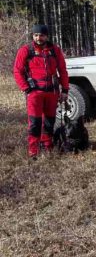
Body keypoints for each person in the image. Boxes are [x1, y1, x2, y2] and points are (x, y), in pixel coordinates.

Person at [13, 24, 69, 158]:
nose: (39, 38)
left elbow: (62, 71)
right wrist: (26, 88)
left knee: (49, 121)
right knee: (35, 123)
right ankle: (33, 152)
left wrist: (65, 89)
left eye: (42, 35)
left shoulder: (55, 50)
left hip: (52, 92)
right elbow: (17, 71)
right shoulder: (26, 50)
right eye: (36, 35)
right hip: (34, 93)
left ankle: (48, 147)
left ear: (47, 36)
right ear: (33, 36)